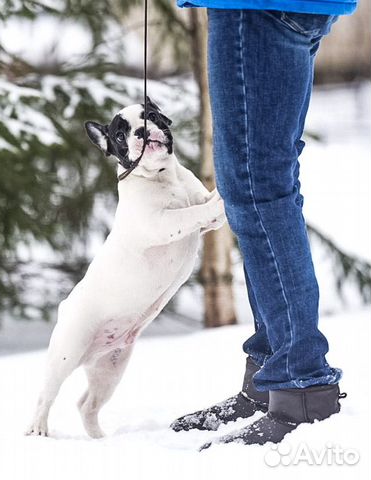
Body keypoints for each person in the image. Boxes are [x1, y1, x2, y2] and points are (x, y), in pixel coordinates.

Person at [171, 0, 357, 447]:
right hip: (287, 8)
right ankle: (272, 376)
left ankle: (301, 384)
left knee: (257, 188)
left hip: (255, 9)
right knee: (265, 185)